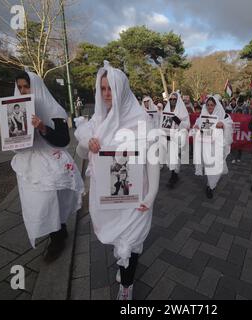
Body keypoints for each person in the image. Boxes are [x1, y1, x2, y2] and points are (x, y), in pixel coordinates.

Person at [74, 61, 160, 300]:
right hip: (108, 196)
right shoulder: (98, 121)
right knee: (119, 241)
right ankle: (125, 271)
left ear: (121, 88)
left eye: (110, 88)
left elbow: (153, 159)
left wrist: (151, 194)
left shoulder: (142, 120)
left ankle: (127, 287)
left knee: (131, 242)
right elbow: (82, 153)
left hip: (135, 195)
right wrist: (87, 143)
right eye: (102, 89)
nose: (106, 94)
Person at [12, 72, 84, 263]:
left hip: (51, 163)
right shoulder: (15, 111)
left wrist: (43, 127)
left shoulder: (55, 110)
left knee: (50, 202)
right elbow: (14, 143)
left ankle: (57, 238)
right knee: (37, 204)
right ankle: (57, 233)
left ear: (35, 86)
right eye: (19, 87)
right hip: (29, 164)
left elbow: (63, 140)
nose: (23, 91)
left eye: (26, 86)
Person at [193, 96, 233, 198]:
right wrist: (196, 127)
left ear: (216, 105)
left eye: (212, 105)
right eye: (208, 105)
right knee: (209, 166)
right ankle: (210, 186)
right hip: (206, 145)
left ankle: (211, 185)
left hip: (217, 146)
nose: (210, 107)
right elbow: (197, 125)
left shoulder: (224, 116)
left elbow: (229, 124)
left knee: (217, 166)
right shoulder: (203, 116)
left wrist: (223, 124)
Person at [161, 92, 190, 188]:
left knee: (173, 157)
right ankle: (175, 174)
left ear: (178, 100)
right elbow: (162, 123)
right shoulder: (166, 110)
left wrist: (176, 119)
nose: (172, 101)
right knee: (169, 157)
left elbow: (187, 125)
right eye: (171, 99)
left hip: (176, 137)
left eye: (174, 99)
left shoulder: (182, 110)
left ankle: (173, 176)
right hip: (167, 137)